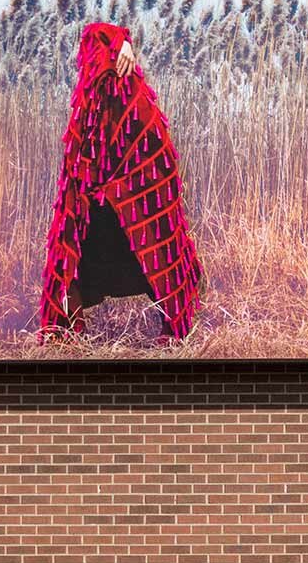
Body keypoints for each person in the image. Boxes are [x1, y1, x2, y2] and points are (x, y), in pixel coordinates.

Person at [36, 21, 202, 343]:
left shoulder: (136, 108)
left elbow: (157, 170)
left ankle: (171, 329)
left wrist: (116, 192)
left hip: (132, 213)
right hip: (97, 214)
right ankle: (67, 335)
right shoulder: (89, 109)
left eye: (106, 63)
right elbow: (77, 174)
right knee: (73, 249)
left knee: (153, 243)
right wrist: (96, 194)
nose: (101, 75)